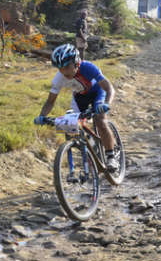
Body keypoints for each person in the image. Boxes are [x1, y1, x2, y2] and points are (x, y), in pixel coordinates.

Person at [33, 43, 119, 172]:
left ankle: (110, 155)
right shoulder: (59, 78)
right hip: (80, 98)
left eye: (67, 67)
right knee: (70, 125)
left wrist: (106, 104)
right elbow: (50, 102)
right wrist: (42, 116)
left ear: (77, 62)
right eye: (60, 68)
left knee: (99, 120)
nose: (64, 72)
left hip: (98, 92)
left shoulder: (88, 67)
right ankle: (91, 145)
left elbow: (109, 88)